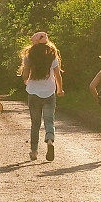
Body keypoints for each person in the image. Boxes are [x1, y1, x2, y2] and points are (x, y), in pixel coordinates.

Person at [20, 32, 64, 161]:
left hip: (33, 92)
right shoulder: (52, 56)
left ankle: (34, 151)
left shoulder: (29, 56)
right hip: (49, 92)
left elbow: (25, 74)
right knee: (49, 120)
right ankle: (50, 141)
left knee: (35, 123)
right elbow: (57, 75)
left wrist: (26, 81)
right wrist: (60, 89)